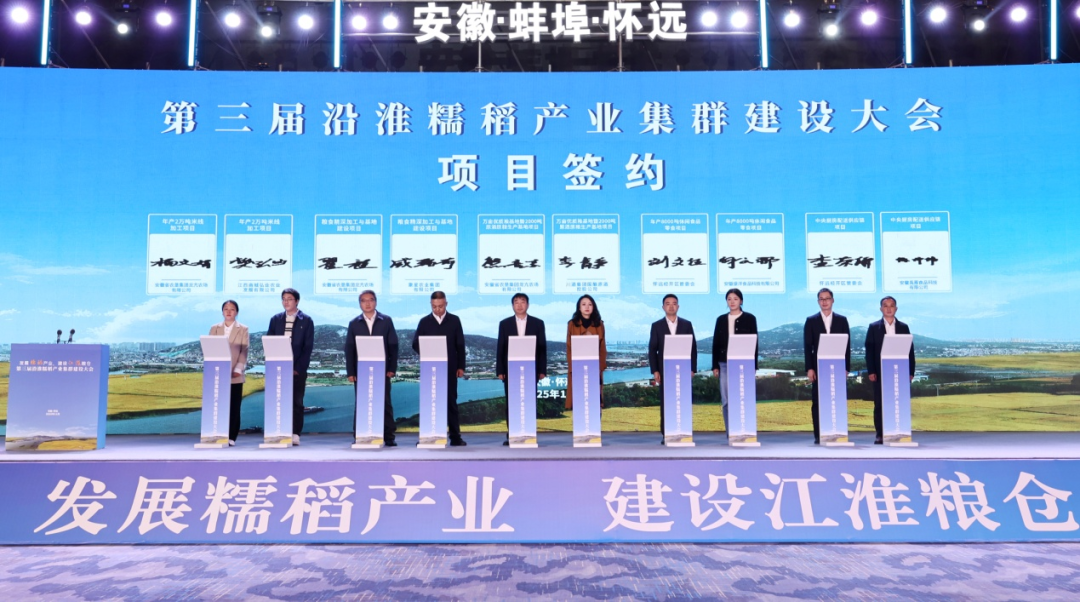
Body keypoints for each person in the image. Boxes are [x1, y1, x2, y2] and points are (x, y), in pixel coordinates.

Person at [412, 291, 468, 446]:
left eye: (440, 306)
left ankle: (455, 437)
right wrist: (428, 352)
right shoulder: (424, 322)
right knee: (429, 401)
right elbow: (415, 343)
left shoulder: (455, 320)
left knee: (451, 402)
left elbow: (460, 345)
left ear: (446, 304)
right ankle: (428, 436)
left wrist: (461, 366)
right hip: (430, 368)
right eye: (434, 306)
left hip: (450, 368)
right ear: (431, 305)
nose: (437, 309)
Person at [345, 290, 399, 447]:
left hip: (382, 369)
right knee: (362, 402)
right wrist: (350, 371)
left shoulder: (386, 320)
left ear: (375, 302)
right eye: (363, 300)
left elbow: (393, 345)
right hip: (361, 370)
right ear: (360, 304)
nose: (367, 303)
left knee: (385, 402)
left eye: (370, 300)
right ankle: (360, 435)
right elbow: (349, 348)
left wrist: (392, 368)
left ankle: (389, 436)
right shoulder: (354, 323)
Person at [496, 293, 547, 445]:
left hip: (531, 370)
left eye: (522, 302)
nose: (519, 305)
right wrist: (500, 370)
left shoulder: (538, 323)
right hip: (510, 370)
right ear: (512, 305)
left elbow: (542, 348)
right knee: (512, 402)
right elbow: (500, 348)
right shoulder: (504, 324)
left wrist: (542, 370)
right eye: (516, 302)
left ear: (528, 305)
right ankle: (512, 435)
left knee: (529, 401)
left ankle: (529, 434)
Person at [864, 296, 916, 445]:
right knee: (880, 404)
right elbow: (869, 351)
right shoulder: (874, 327)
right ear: (881, 308)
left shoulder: (904, 327)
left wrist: (910, 371)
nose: (888, 308)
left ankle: (900, 432)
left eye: (891, 305)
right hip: (880, 372)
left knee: (899, 402)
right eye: (885, 306)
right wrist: (871, 371)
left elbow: (910, 351)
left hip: (900, 371)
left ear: (896, 308)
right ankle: (880, 434)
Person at [803, 287, 851, 444]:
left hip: (838, 367)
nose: (824, 302)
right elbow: (807, 346)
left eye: (827, 298)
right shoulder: (811, 320)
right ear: (818, 301)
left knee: (837, 400)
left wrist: (846, 367)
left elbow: (847, 345)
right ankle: (819, 435)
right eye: (821, 299)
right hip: (818, 368)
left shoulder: (842, 320)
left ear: (833, 300)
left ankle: (837, 432)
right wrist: (810, 368)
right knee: (818, 402)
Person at [267, 288, 314, 446]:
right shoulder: (275, 319)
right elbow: (270, 342)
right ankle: (278, 432)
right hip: (278, 369)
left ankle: (295, 433)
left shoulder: (306, 320)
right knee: (278, 401)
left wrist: (298, 369)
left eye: (289, 299)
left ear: (297, 301)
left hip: (297, 370)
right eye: (284, 299)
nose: (286, 302)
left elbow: (308, 348)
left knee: (296, 402)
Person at [648, 294, 697, 440]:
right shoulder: (657, 326)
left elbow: (693, 348)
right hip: (665, 370)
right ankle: (667, 433)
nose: (671, 306)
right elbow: (652, 350)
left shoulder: (686, 324)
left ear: (678, 306)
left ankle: (684, 431)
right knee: (666, 401)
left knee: (683, 400)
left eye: (674, 303)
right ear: (663, 307)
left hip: (683, 369)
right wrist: (655, 370)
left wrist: (692, 368)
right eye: (668, 303)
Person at [710, 288, 758, 439]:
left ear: (741, 301)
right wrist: (715, 365)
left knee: (744, 398)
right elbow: (715, 343)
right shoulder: (720, 320)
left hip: (744, 365)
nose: (732, 302)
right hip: (724, 364)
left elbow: (754, 343)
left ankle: (745, 431)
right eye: (729, 299)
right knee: (726, 400)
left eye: (735, 299)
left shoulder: (750, 318)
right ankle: (731, 433)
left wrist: (754, 365)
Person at [210, 300, 249, 447]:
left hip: (235, 373)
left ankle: (232, 436)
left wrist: (238, 369)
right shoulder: (214, 328)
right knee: (218, 405)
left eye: (232, 309)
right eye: (226, 309)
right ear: (222, 311)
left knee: (234, 406)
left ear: (236, 312)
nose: (228, 311)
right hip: (217, 374)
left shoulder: (243, 329)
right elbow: (209, 348)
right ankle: (217, 434)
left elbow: (244, 350)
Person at [565, 294, 607, 411]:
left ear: (594, 307)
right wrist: (572, 368)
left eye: (590, 304)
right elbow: (569, 347)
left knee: (595, 401)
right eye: (583, 304)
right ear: (579, 307)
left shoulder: (599, 324)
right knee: (579, 400)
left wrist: (600, 367)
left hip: (594, 368)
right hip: (577, 367)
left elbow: (602, 347)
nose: (587, 307)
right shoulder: (572, 324)